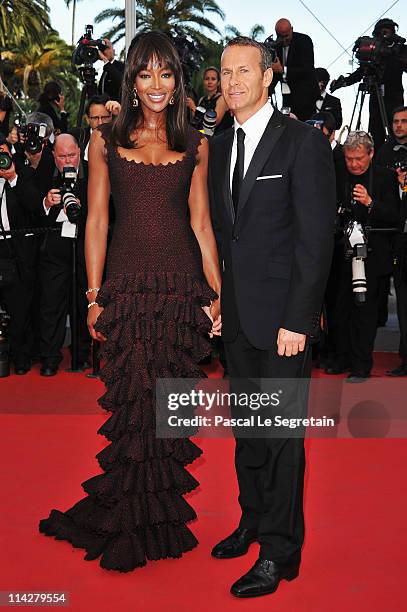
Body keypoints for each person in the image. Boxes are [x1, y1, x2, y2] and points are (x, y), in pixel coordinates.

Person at [39, 30, 222, 572]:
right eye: (146, 73)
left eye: (166, 74)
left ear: (178, 79)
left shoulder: (196, 144)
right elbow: (96, 220)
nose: (157, 85)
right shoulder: (105, 140)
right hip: (126, 287)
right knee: (132, 406)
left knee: (167, 410)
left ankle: (155, 519)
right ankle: (125, 518)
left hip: (179, 289)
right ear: (132, 78)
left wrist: (216, 295)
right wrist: (93, 297)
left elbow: (202, 224)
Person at [208, 36, 335, 598]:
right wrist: (215, 300)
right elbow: (221, 233)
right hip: (236, 320)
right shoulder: (218, 144)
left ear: (268, 77)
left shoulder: (302, 142)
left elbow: (315, 241)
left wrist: (299, 319)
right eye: (224, 71)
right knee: (249, 435)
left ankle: (280, 553)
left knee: (283, 439)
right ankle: (253, 520)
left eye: (243, 70)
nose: (232, 80)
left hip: (283, 323)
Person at [326, 131, 400, 381]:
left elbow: (396, 216)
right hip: (340, 255)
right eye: (349, 159)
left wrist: (370, 203)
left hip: (373, 256)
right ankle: (340, 358)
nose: (354, 164)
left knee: (365, 315)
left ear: (371, 154)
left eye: (359, 158)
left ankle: (361, 365)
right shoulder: (336, 173)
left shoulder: (386, 178)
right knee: (339, 311)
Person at [36, 134, 90, 376]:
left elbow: (106, 209)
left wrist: (83, 206)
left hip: (85, 244)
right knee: (51, 303)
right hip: (55, 244)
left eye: (72, 155)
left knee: (82, 300)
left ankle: (82, 354)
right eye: (62, 156)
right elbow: (29, 208)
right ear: (53, 156)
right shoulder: (45, 172)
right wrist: (47, 203)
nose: (68, 160)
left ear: (79, 151)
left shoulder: (93, 172)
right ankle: (49, 358)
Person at [331, 18, 407, 151]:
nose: (384, 35)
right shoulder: (373, 49)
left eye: (387, 31)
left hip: (394, 98)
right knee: (376, 130)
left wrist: (395, 55)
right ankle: (377, 159)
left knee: (396, 129)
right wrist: (343, 82)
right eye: (382, 32)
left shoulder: (400, 49)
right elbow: (361, 72)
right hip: (376, 97)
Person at [0, 137, 42, 373]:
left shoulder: (22, 173)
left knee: (20, 306)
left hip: (17, 250)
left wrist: (13, 178)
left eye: (4, 152)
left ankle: (21, 357)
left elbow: (35, 205)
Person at [376, 106, 407, 376]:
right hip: (395, 236)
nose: (398, 126)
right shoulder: (384, 152)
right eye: (395, 121)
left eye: (404, 121)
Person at [270, 18, 320, 121]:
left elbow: (307, 69)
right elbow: (275, 74)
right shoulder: (276, 46)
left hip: (305, 96)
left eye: (286, 36)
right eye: (281, 36)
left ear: (292, 29)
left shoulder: (304, 41)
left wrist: (283, 70)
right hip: (287, 96)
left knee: (305, 128)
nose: (284, 40)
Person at [187, 66, 233, 133]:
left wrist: (193, 107)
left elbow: (214, 122)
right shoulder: (202, 99)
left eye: (213, 79)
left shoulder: (222, 99)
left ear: (218, 82)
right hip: (204, 136)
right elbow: (198, 121)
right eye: (207, 79)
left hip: (219, 139)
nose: (209, 82)